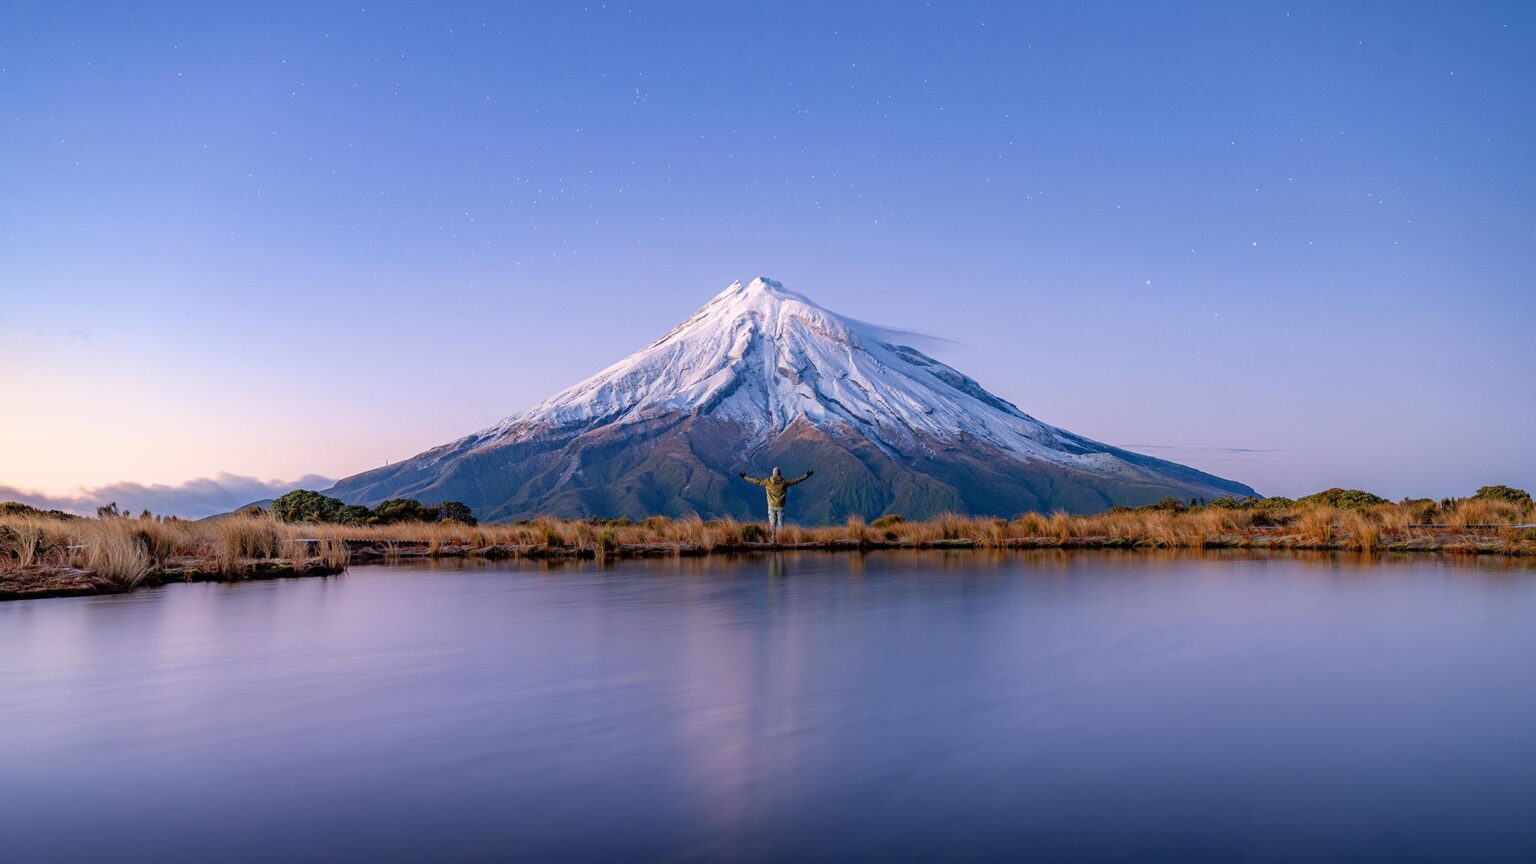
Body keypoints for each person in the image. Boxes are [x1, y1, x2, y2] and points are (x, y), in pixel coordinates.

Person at [739, 466, 813, 539]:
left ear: (773, 474)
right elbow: (796, 480)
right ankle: (781, 539)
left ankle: (773, 540)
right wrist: (806, 476)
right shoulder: (784, 482)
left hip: (771, 506)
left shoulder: (767, 481)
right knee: (780, 525)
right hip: (781, 506)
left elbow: (755, 481)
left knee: (772, 524)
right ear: (780, 474)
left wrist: (745, 477)